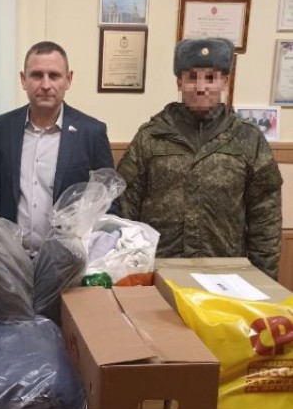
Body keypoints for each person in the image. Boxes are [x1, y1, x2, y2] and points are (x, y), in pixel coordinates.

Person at [117, 38, 282, 279]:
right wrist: (129, 273)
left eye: (211, 78)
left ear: (224, 81)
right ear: (179, 81)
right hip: (160, 271)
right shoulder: (151, 137)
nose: (201, 87)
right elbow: (126, 209)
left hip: (226, 273)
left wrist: (263, 278)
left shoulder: (247, 139)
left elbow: (265, 216)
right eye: (192, 77)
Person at [0, 41, 118, 257]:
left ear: (69, 79)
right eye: (37, 75)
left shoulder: (91, 132)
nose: (46, 84)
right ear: (23, 79)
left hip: (68, 261)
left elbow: (108, 204)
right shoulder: (3, 127)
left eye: (54, 75)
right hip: (12, 258)